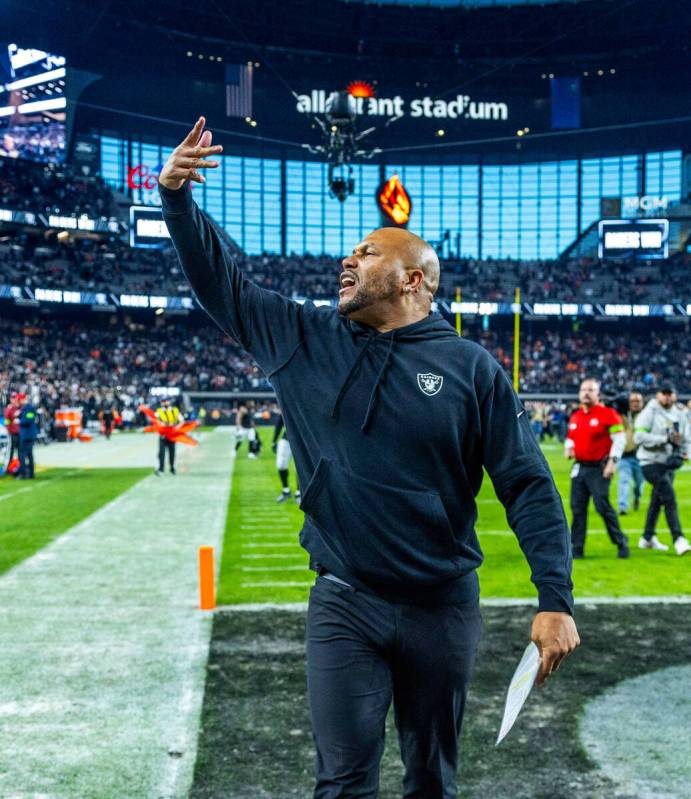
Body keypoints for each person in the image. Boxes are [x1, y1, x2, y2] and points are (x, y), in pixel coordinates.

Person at [159, 117, 579, 798]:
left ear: (414, 277)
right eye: (349, 250)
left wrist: (554, 598)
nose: (346, 260)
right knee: (343, 781)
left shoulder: (471, 368)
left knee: (430, 781)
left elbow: (525, 483)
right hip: (344, 599)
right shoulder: (304, 336)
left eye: (366, 250)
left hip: (441, 607)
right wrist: (177, 200)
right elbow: (225, 286)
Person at [565, 378, 629, 559]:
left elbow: (620, 439)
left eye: (590, 390)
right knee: (577, 509)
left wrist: (613, 462)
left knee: (602, 506)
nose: (586, 393)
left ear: (598, 394)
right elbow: (571, 435)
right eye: (583, 389)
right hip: (579, 467)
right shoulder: (576, 415)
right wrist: (568, 447)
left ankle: (620, 541)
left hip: (599, 468)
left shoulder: (608, 414)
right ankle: (576, 549)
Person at [634, 385, 691, 555]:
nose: (667, 397)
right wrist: (664, 439)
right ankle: (679, 539)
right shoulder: (649, 412)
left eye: (670, 394)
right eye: (664, 394)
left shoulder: (680, 413)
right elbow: (639, 436)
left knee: (657, 502)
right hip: (649, 462)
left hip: (668, 463)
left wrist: (684, 453)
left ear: (675, 395)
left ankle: (647, 537)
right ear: (658, 395)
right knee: (669, 497)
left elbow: (687, 438)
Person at [617, 391, 644, 515]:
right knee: (624, 480)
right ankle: (623, 507)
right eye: (632, 401)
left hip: (641, 457)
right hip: (625, 456)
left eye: (638, 401)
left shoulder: (646, 416)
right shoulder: (622, 415)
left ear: (642, 403)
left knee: (639, 484)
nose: (635, 403)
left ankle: (637, 497)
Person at [272, 412, 300, 503]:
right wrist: (274, 440)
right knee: (281, 465)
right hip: (287, 439)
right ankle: (286, 490)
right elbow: (279, 423)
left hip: (301, 440)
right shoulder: (287, 402)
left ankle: (299, 493)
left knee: (300, 468)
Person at [155, 396, 183, 475]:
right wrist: (162, 425)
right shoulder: (159, 411)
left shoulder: (175, 410)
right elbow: (155, 421)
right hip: (163, 435)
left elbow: (181, 420)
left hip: (172, 434)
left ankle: (172, 467)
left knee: (172, 452)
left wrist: (176, 427)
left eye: (166, 401)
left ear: (169, 402)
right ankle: (161, 469)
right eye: (163, 401)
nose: (164, 403)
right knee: (161, 453)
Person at [16, 393, 38, 480]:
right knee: (29, 455)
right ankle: (30, 474)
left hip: (27, 435)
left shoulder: (29, 408)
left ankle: (24, 474)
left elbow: (29, 419)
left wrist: (19, 420)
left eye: (19, 400)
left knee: (23, 455)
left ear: (23, 399)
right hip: (27, 435)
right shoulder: (24, 408)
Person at [4, 392, 21, 467]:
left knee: (20, 451)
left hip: (20, 432)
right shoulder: (9, 409)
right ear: (10, 399)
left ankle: (20, 467)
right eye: (13, 398)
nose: (14, 399)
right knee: (11, 451)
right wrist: (9, 430)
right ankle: (8, 467)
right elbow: (7, 421)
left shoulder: (19, 407)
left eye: (15, 398)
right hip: (12, 433)